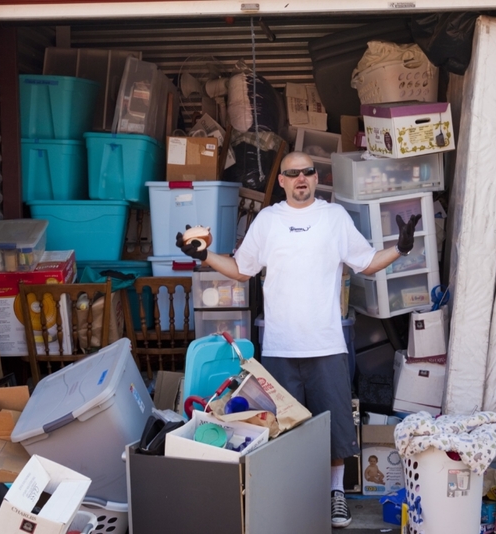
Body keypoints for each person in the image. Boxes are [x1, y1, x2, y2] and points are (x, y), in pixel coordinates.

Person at [176, 151, 419, 529]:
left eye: (308, 172)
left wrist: (401, 249)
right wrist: (206, 255)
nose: (301, 178)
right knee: (279, 429)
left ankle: (336, 494)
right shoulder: (268, 221)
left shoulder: (334, 217)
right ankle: (289, 498)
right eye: (293, 173)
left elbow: (367, 262)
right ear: (283, 182)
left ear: (316, 178)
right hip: (279, 347)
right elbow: (242, 270)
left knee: (335, 426)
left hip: (326, 345)